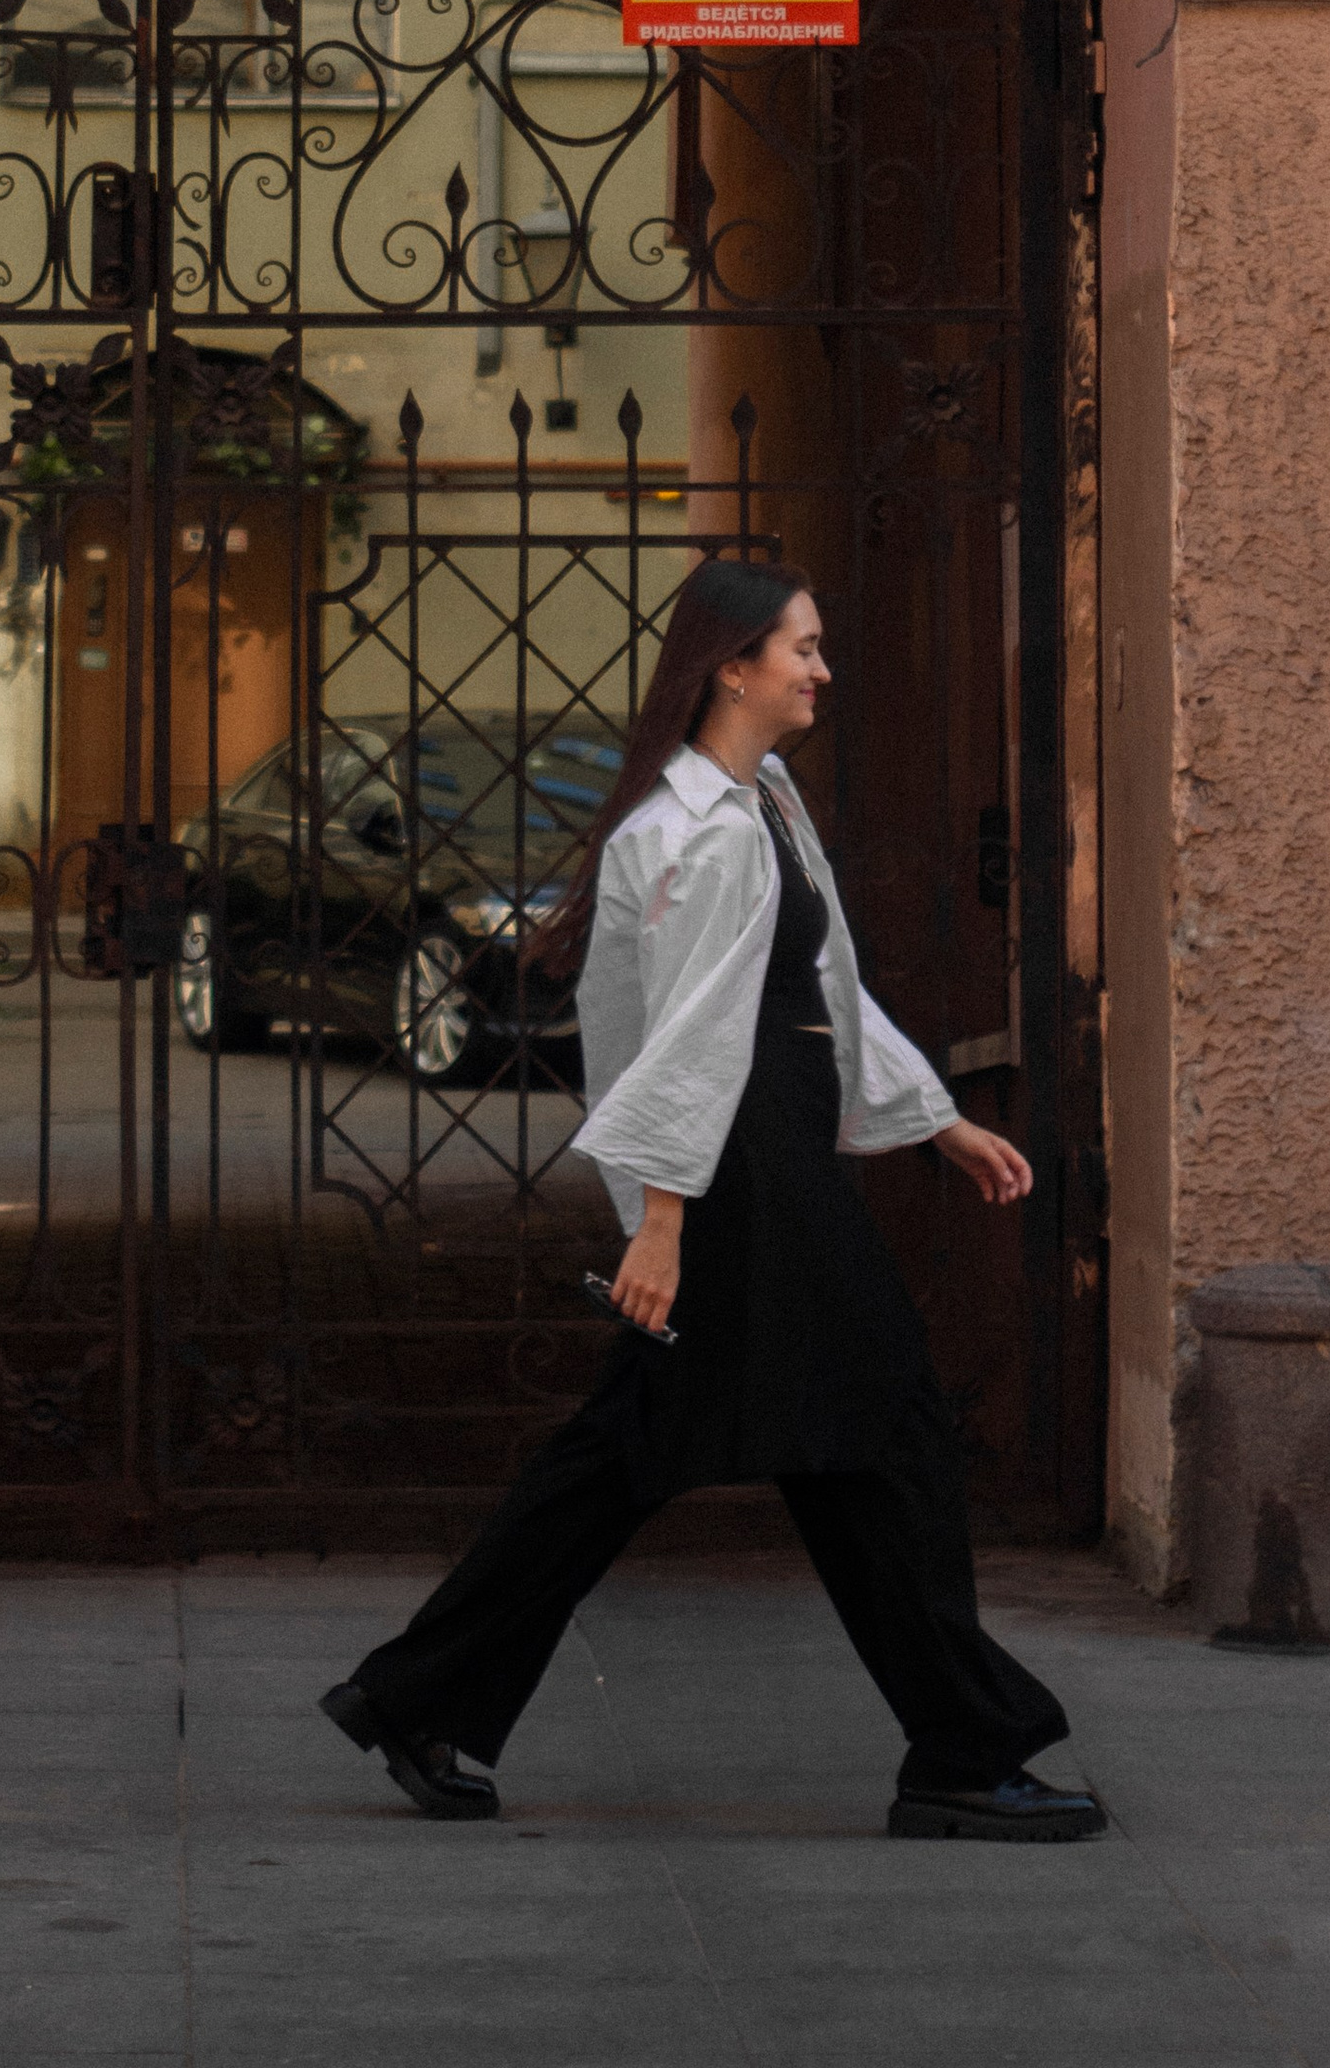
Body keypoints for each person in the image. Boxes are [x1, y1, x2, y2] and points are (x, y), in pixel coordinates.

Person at [319, 558, 1103, 1841]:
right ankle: (962, 1749)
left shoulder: (764, 802)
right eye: (800, 647)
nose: (821, 669)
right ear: (730, 666)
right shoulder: (688, 833)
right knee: (878, 1434)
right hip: (742, 1177)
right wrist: (665, 1226)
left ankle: (418, 1697)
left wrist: (936, 1119)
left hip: (764, 1157)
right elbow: (684, 1042)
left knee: (646, 1454)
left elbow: (825, 990)